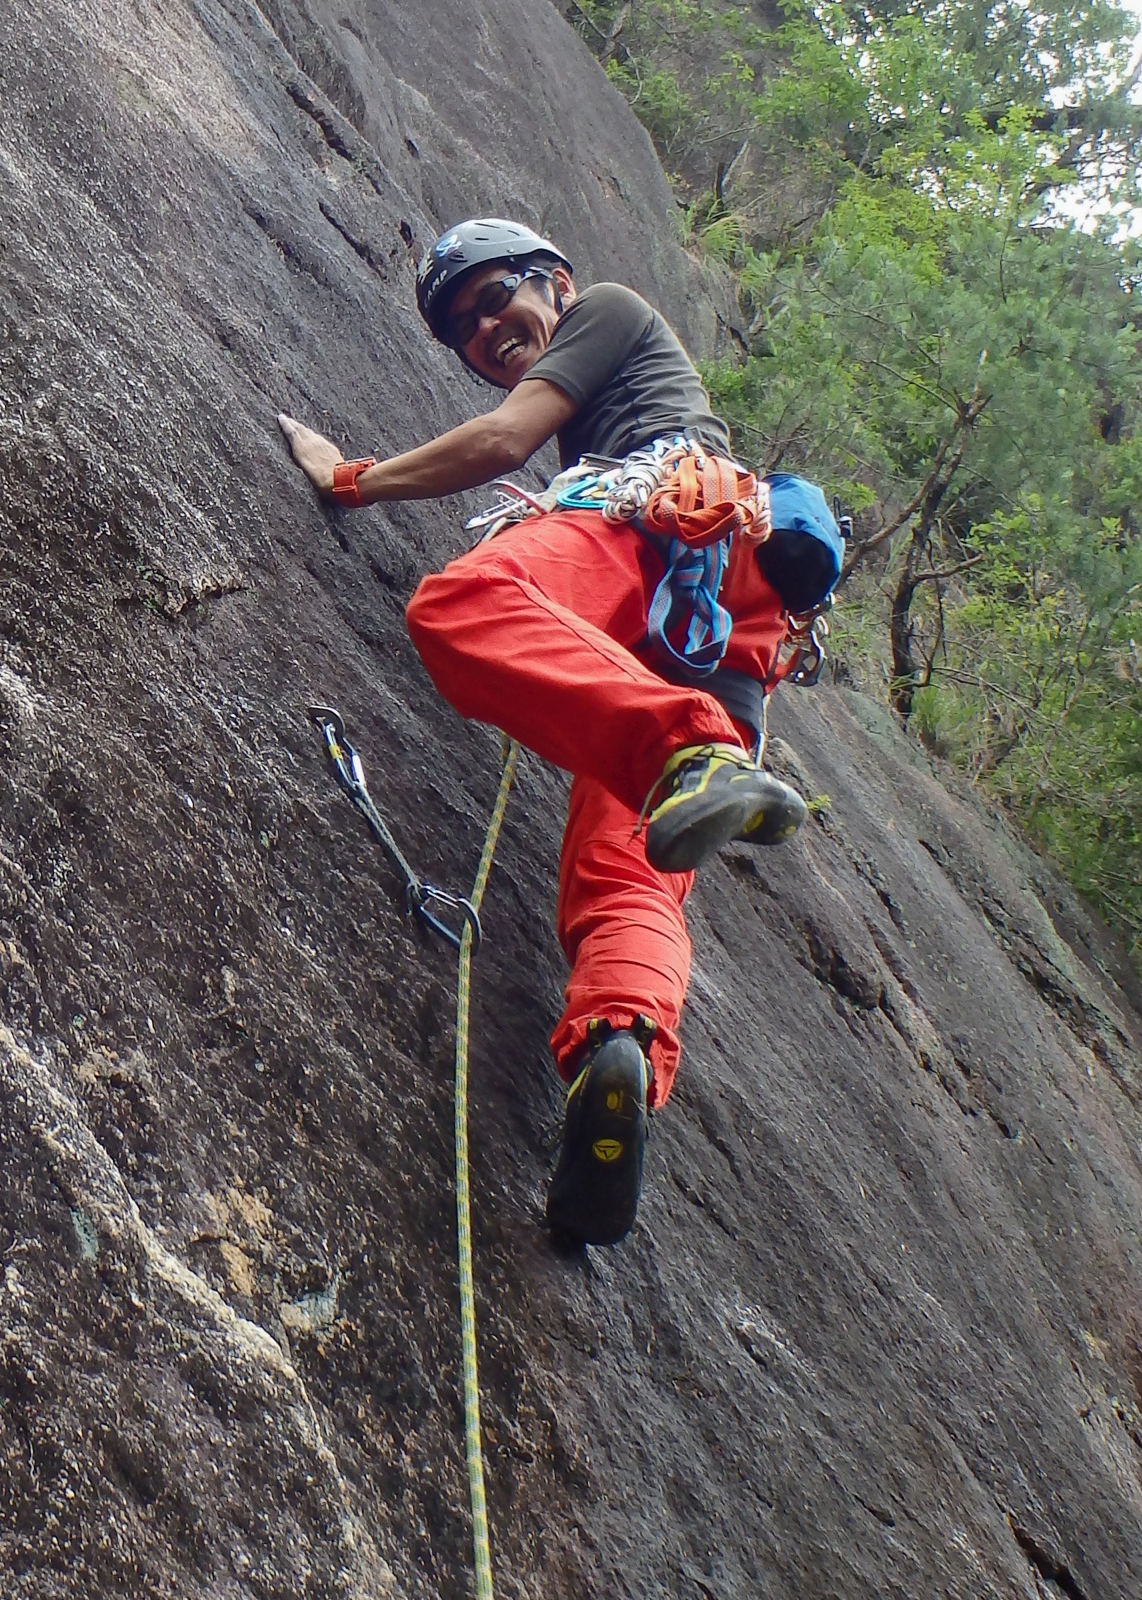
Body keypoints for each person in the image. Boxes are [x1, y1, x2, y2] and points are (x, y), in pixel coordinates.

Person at [278, 218, 807, 1247]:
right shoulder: (632, 376)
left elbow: (498, 443)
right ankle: (619, 1048)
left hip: (662, 529)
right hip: (729, 631)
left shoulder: (609, 310)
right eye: (463, 334)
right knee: (633, 876)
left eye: (494, 300)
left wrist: (350, 478)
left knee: (463, 608)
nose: (485, 333)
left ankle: (680, 751)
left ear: (555, 284)